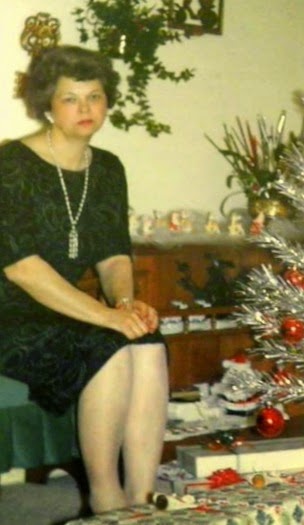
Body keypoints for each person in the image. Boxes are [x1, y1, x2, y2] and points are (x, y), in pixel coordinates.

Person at [0, 45, 168, 514]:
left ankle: (140, 498)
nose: (85, 108)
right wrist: (105, 317)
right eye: (70, 98)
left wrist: (125, 305)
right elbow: (22, 268)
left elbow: (113, 255)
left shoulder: (108, 168)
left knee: (147, 341)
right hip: (8, 313)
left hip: (65, 307)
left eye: (94, 96)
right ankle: (106, 496)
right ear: (47, 104)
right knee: (106, 346)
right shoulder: (12, 164)